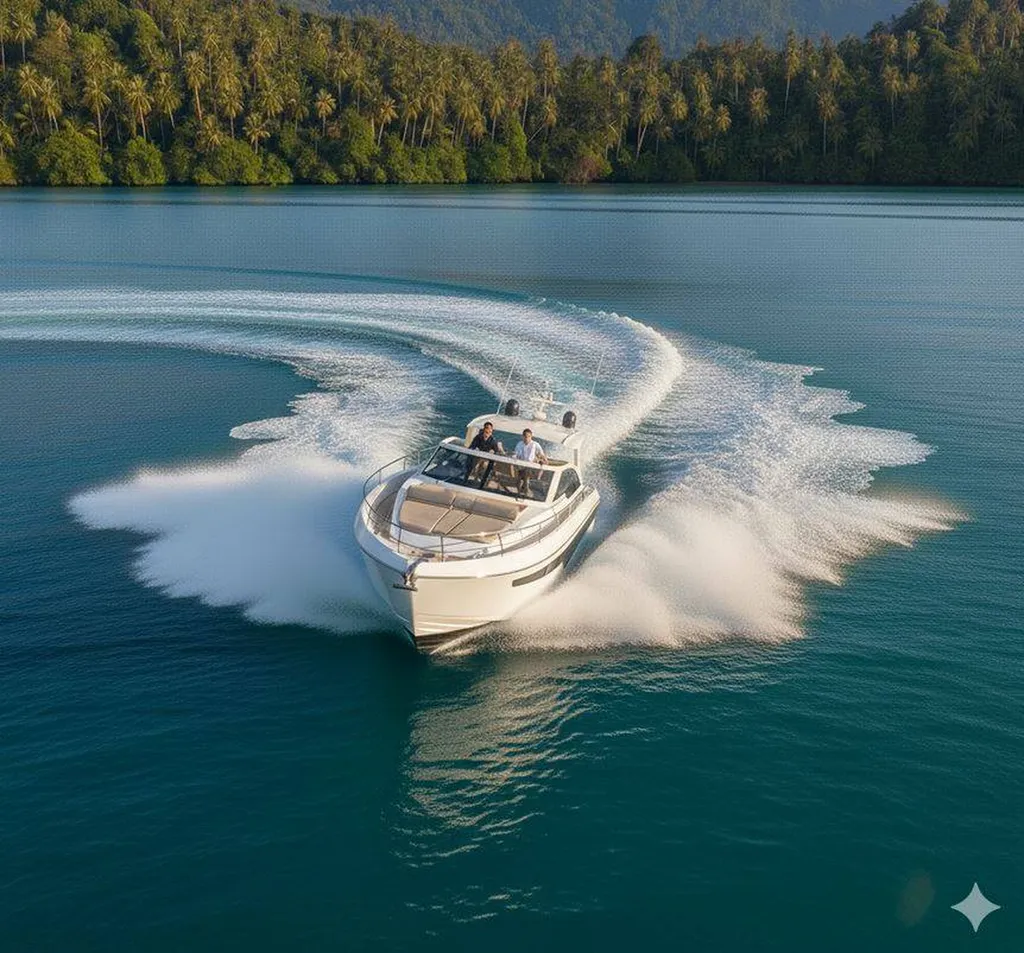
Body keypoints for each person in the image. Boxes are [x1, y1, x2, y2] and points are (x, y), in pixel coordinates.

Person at [513, 428, 547, 496]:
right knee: (519, 479)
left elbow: (542, 455)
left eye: (529, 436)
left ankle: (526, 491)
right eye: (525, 436)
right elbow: (515, 454)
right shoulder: (519, 444)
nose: (527, 438)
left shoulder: (535, 444)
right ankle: (520, 492)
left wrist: (544, 460)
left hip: (532, 468)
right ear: (523, 436)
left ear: (531, 437)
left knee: (526, 473)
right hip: (521, 467)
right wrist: (513, 457)